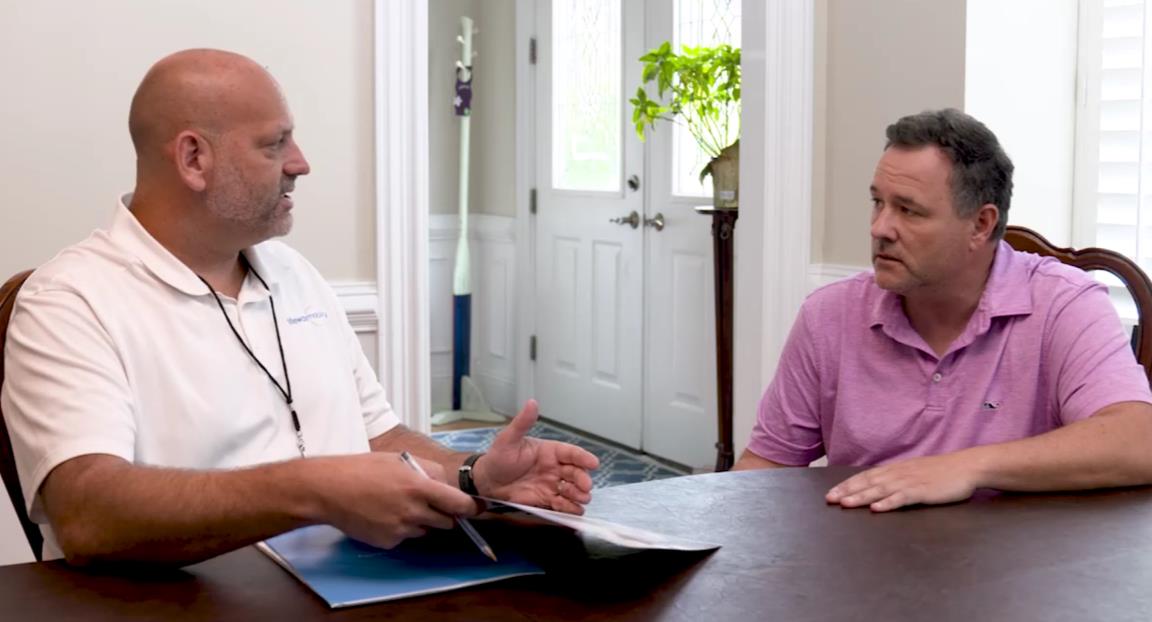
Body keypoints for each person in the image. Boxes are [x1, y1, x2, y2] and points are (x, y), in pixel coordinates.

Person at [0, 49, 599, 565]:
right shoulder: (67, 302)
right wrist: (311, 490)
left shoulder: (293, 273)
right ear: (193, 159)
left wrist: (472, 474)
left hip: (350, 588)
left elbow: (377, 438)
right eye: (275, 144)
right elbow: (87, 514)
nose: (301, 163)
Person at [734, 108, 1152, 511]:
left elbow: (1138, 441)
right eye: (878, 202)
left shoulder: (1064, 304)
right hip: (862, 563)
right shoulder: (828, 314)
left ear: (981, 224)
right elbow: (766, 465)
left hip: (1020, 570)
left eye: (908, 210)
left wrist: (965, 467)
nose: (879, 228)